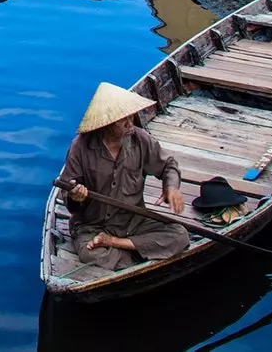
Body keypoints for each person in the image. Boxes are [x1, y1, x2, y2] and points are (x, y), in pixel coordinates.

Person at [61, 82, 190, 271]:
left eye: (130, 116)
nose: (130, 122)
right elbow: (68, 190)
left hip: (133, 221)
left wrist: (171, 187)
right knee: (90, 252)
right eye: (122, 120)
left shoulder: (139, 139)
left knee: (180, 235)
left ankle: (116, 243)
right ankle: (138, 250)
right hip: (92, 226)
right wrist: (75, 196)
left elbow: (168, 166)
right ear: (106, 124)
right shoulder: (80, 147)